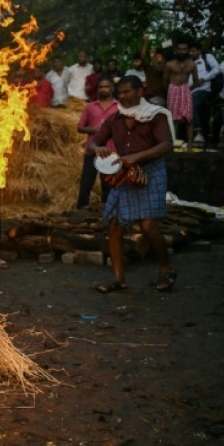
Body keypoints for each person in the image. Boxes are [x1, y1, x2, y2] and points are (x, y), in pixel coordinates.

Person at [89, 76, 175, 293]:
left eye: (127, 92)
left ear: (140, 91)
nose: (122, 96)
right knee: (115, 226)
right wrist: (97, 148)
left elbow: (166, 145)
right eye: (121, 93)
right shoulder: (114, 119)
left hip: (151, 173)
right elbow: (94, 142)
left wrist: (136, 157)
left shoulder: (155, 116)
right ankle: (119, 279)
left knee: (148, 227)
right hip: (123, 174)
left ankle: (166, 269)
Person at [76, 78, 118, 208]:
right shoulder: (90, 107)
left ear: (112, 88)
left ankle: (106, 215)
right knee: (85, 185)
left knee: (108, 186)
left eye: (106, 86)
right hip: (92, 151)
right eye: (100, 87)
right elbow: (79, 127)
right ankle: (80, 214)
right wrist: (92, 130)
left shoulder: (120, 107)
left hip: (111, 152)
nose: (103, 89)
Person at [164, 41, 198, 143]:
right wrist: (171, 90)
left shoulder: (192, 64)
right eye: (180, 49)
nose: (182, 51)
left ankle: (189, 147)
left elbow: (196, 82)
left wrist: (186, 90)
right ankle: (171, 145)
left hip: (185, 90)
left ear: (187, 50)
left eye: (184, 49)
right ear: (176, 51)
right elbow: (164, 81)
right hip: (173, 90)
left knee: (188, 119)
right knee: (172, 118)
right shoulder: (170, 64)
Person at [189, 41, 220, 147]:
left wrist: (204, 79)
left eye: (193, 51)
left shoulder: (207, 57)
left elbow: (217, 69)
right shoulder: (188, 62)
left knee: (192, 104)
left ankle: (199, 133)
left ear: (199, 51)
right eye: (190, 51)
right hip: (190, 90)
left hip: (203, 89)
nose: (191, 53)